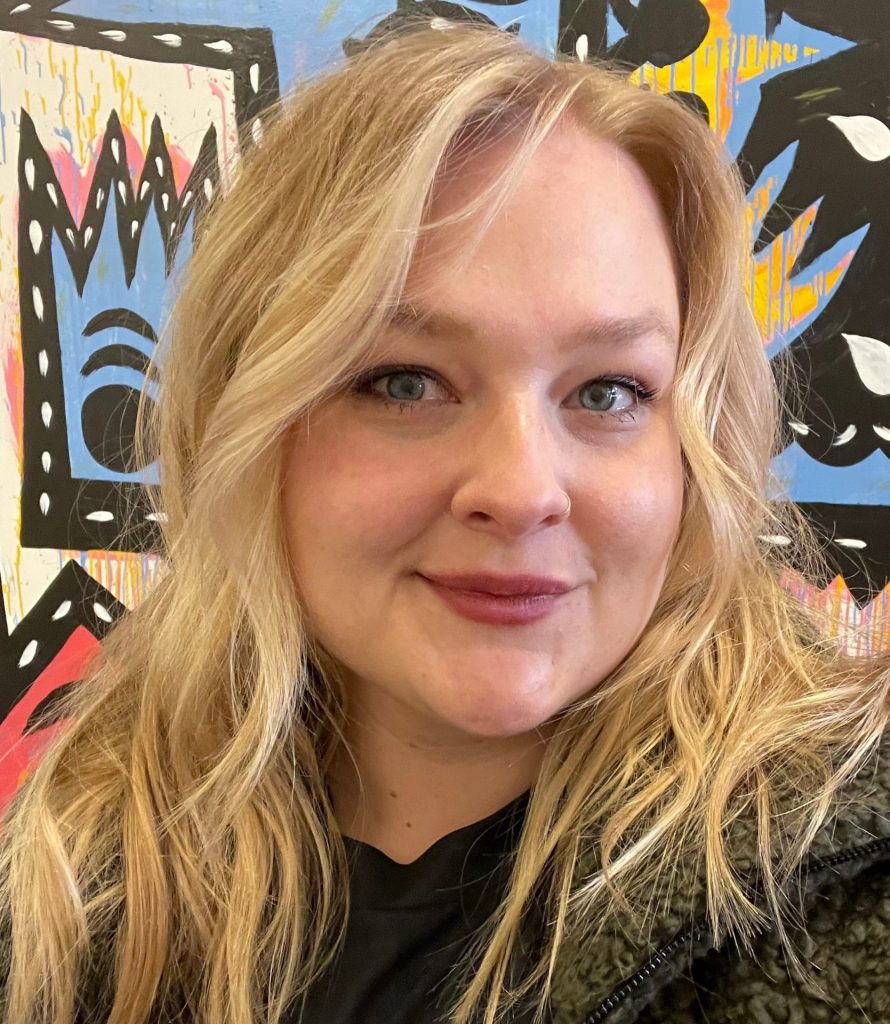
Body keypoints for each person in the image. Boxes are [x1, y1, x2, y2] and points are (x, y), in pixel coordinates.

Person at [1, 21, 889, 1024]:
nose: (520, 489)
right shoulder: (79, 872)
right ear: (249, 417)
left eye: (606, 392)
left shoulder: (838, 884)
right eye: (405, 381)